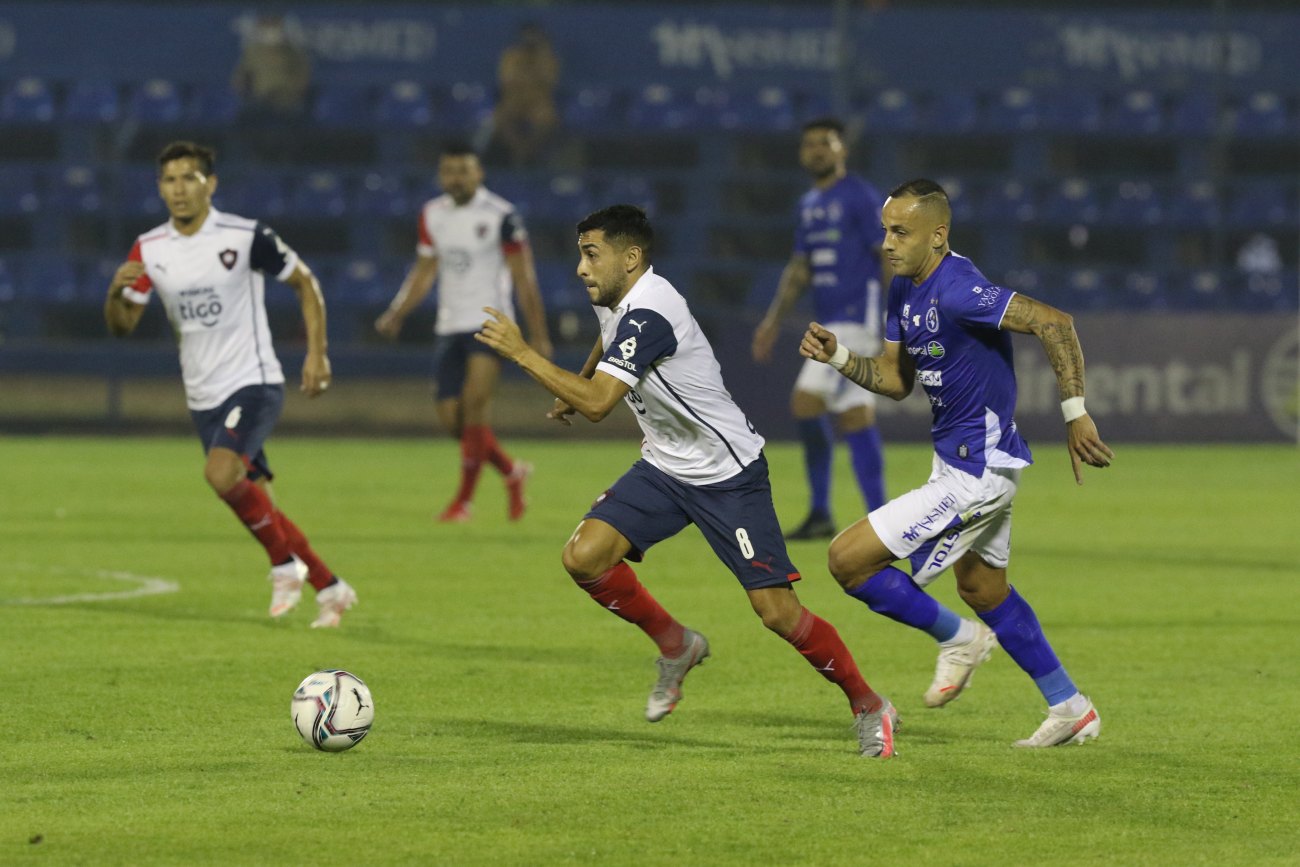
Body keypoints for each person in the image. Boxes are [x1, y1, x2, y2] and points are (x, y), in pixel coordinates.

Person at [476, 204, 898, 757]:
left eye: (591, 254)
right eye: (581, 253)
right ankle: (676, 645)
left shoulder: (652, 311)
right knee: (584, 556)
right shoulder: (618, 297)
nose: (581, 268)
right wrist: (574, 382)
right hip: (665, 465)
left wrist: (523, 354)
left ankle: (870, 705)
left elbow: (603, 403)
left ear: (631, 259)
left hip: (729, 475)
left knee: (776, 613)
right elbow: (607, 343)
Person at [799, 178, 1114, 747]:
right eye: (885, 231)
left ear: (937, 236)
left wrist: (1076, 412)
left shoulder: (961, 290)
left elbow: (1055, 322)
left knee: (848, 562)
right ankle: (1071, 706)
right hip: (956, 466)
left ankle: (958, 639)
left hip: (980, 474)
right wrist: (839, 356)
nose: (888, 243)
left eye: (901, 232)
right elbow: (894, 382)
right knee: (985, 590)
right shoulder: (903, 288)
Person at [103, 140, 356, 628]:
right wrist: (114, 292)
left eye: (188, 178)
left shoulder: (243, 236)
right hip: (203, 394)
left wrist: (318, 353)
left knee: (220, 474)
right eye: (169, 180)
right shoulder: (150, 248)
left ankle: (285, 567)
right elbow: (121, 324)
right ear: (160, 188)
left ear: (210, 184)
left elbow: (306, 282)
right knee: (259, 502)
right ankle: (330, 587)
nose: (178, 189)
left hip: (253, 381)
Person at [376, 143, 551, 523]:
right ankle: (511, 471)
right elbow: (424, 271)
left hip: (490, 321)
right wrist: (397, 312)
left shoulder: (502, 215)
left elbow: (524, 276)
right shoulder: (432, 214)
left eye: (463, 170)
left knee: (474, 406)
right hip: (450, 324)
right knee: (454, 421)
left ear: (479, 173)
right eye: (449, 171)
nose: (456, 178)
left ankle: (463, 503)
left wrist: (539, 335)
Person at [752, 117, 888, 542]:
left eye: (825, 144)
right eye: (809, 144)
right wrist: (773, 320)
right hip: (831, 323)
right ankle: (859, 517)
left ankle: (857, 517)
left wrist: (895, 320)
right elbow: (799, 269)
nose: (816, 151)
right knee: (847, 413)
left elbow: (885, 256)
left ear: (842, 150)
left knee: (809, 402)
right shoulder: (809, 203)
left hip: (859, 320)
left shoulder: (861, 196)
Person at [490, 22, 561, 167]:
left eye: (533, 35)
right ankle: (520, 153)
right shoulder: (511, 55)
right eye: (527, 35)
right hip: (513, 99)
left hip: (538, 100)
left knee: (546, 120)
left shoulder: (547, 56)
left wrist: (542, 54)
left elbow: (549, 80)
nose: (530, 39)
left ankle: (529, 153)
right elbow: (507, 80)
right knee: (501, 119)